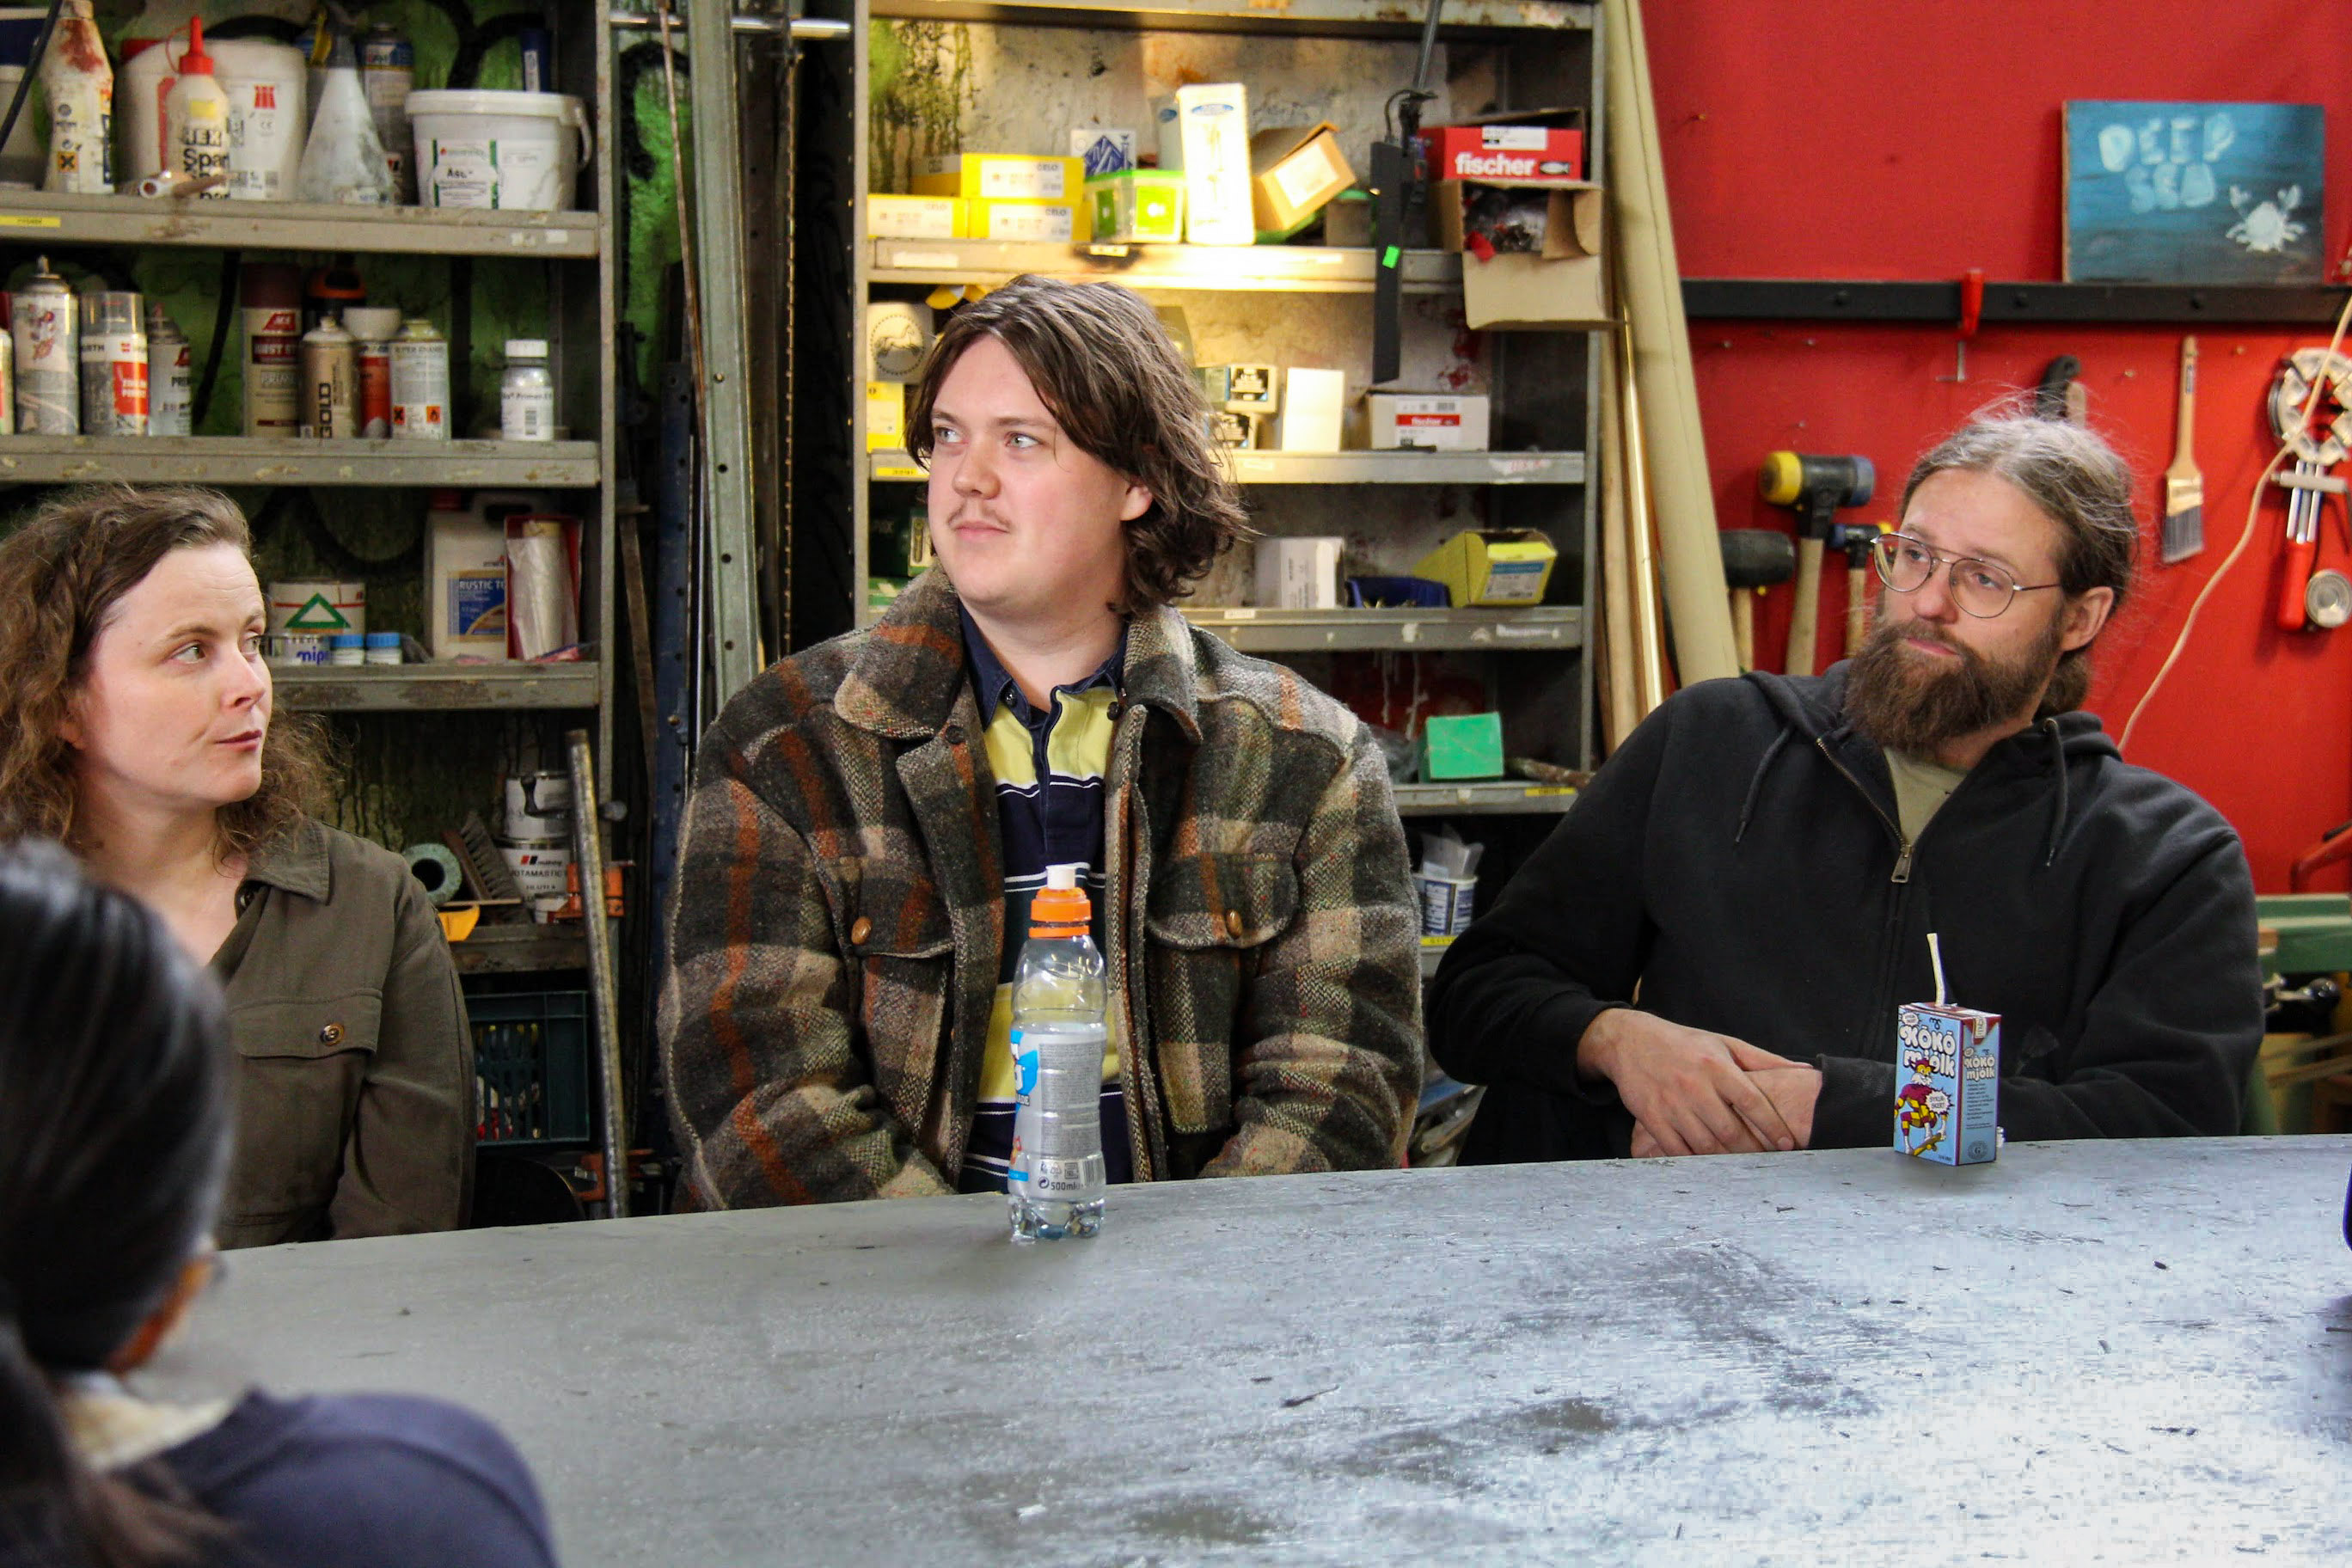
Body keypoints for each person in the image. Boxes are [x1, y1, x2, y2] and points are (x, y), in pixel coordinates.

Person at [661, 274, 1423, 1204]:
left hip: (1199, 1319)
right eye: (948, 436)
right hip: (882, 1315)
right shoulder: (786, 747)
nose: (966, 480)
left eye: (1022, 441)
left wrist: (1168, 1302)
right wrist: (953, 1302)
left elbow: (1342, 1089)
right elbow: (757, 1095)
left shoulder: (1306, 761)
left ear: (1138, 481)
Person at [1430, 411, 2263, 1161]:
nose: (1927, 602)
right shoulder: (1716, 740)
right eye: (1914, 556)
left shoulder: (2164, 858)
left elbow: (2170, 1130)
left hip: (1977, 1295)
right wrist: (1612, 1039)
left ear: (2079, 619)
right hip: (1671, 1262)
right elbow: (1478, 998)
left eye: (1984, 579)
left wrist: (1842, 1111)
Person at [0, 841, 558, 1568]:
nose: (252, 715)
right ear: (183, 1285)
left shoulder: (369, 897)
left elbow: (401, 1221)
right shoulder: (423, 1508)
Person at [0, 487, 471, 1246]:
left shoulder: (368, 907)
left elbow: (402, 1250)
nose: (251, 684)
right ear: (60, 701)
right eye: (192, 651)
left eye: (252, 641)